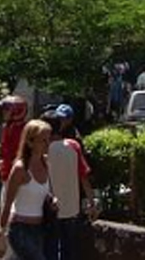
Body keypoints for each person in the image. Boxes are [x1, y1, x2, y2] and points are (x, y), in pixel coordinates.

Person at [0, 120, 54, 260]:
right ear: (30, 142)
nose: (47, 144)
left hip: (39, 230)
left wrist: (52, 200)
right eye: (43, 140)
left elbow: (46, 193)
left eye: (48, 139)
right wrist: (0, 234)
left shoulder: (46, 164)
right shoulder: (20, 169)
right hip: (20, 229)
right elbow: (8, 203)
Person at [42, 108, 97, 260]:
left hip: (50, 209)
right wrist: (92, 203)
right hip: (72, 208)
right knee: (70, 249)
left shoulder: (42, 152)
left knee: (50, 248)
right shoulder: (74, 146)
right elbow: (84, 177)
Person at [0, 96, 29, 184]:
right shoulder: (7, 127)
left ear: (17, 111)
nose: (3, 112)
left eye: (7, 110)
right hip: (6, 174)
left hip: (17, 176)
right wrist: (2, 161)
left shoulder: (25, 129)